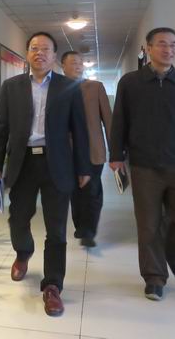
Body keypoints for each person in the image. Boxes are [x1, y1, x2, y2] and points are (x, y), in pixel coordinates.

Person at [0, 32, 92, 317]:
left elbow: (80, 129)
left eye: (46, 49)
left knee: (56, 228)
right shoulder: (11, 87)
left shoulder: (68, 87)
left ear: (54, 56)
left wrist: (84, 167)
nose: (40, 53)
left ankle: (52, 286)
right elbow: (0, 130)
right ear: (27, 54)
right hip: (22, 163)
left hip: (57, 164)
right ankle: (23, 252)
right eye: (34, 48)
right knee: (18, 219)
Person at [109, 27, 175, 301]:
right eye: (162, 44)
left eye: (173, 45)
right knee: (148, 224)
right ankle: (154, 278)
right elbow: (119, 121)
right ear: (149, 48)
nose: (169, 49)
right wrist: (116, 155)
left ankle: (174, 253)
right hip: (144, 165)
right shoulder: (131, 83)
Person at [61, 51, 112, 248]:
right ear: (63, 66)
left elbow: (108, 119)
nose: (78, 66)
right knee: (75, 191)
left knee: (92, 190)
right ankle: (81, 227)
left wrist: (116, 150)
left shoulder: (95, 87)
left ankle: (89, 230)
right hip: (67, 151)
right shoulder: (57, 89)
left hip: (93, 149)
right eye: (73, 62)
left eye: (80, 63)